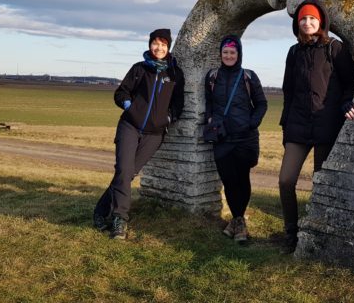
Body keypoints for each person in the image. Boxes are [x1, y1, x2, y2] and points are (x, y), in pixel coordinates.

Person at [278, 0, 354, 254]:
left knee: (320, 182)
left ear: (321, 22)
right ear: (297, 23)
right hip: (298, 126)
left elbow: (350, 82)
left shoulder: (335, 48)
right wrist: (285, 125)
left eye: (312, 18)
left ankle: (315, 231)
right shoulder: (293, 52)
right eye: (303, 19)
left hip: (327, 125)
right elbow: (288, 91)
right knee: (285, 180)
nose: (308, 23)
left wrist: (346, 102)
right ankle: (291, 231)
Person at [93, 28, 184, 240]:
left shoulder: (175, 74)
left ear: (168, 47)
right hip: (130, 127)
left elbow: (179, 104)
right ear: (150, 45)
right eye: (155, 43)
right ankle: (120, 220)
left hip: (154, 134)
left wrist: (168, 119)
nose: (158, 48)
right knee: (124, 170)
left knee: (128, 174)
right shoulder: (139, 69)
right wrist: (130, 107)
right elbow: (121, 92)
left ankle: (100, 211)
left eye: (163, 44)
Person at [204, 34, 267, 244]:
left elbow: (261, 104)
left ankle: (237, 220)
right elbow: (209, 103)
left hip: (245, 138)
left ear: (238, 54)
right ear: (220, 54)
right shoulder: (212, 76)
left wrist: (251, 123)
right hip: (222, 139)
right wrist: (210, 118)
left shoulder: (249, 76)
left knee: (242, 178)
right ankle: (238, 220)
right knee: (229, 181)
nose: (229, 55)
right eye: (225, 52)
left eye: (232, 52)